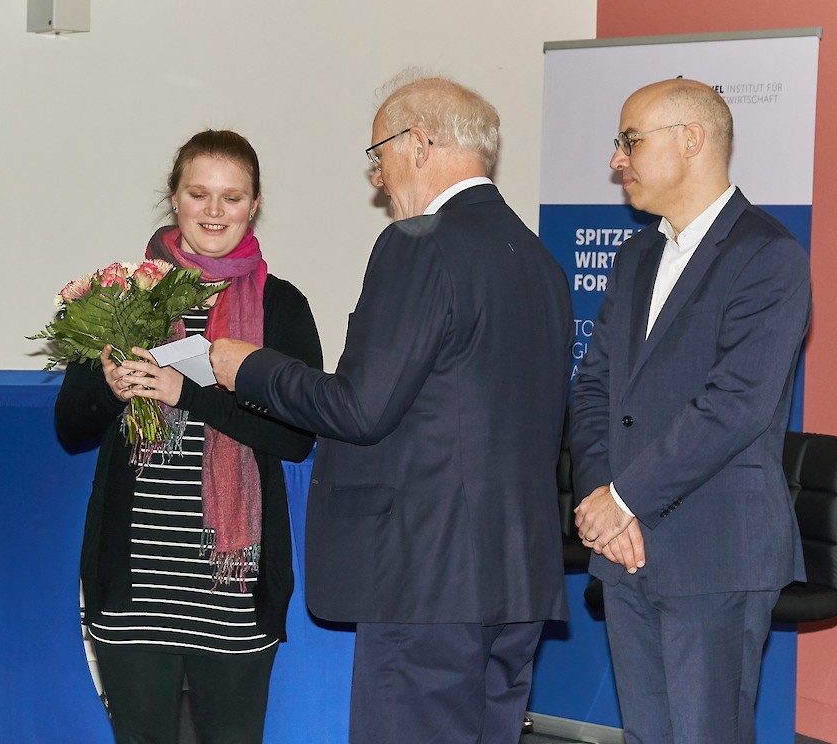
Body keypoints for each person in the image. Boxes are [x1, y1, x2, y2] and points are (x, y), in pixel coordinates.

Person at [209, 73, 573, 743]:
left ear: (420, 144)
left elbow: (360, 408)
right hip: (517, 576)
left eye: (379, 154)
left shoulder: (419, 243)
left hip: (426, 575)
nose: (377, 178)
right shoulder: (539, 261)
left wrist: (249, 367)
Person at [54, 129, 323, 744]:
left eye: (232, 197)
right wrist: (109, 390)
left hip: (233, 584)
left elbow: (296, 440)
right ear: (174, 197)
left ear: (254, 205)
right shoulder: (121, 299)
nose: (214, 211)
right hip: (136, 579)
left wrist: (189, 395)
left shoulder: (281, 307)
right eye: (199, 194)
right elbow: (70, 427)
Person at [570, 78, 811, 743]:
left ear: (691, 140)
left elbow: (735, 405)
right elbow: (593, 389)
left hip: (714, 552)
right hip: (625, 550)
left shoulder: (767, 255)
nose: (616, 160)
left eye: (630, 141)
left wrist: (624, 498)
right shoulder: (637, 254)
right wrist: (600, 499)